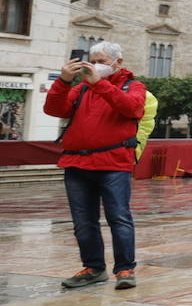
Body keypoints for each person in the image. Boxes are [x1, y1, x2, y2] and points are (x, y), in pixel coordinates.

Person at [44, 41, 147, 291]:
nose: (96, 66)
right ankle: (93, 268)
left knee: (119, 218)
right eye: (93, 60)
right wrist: (64, 81)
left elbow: (132, 109)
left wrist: (98, 83)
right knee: (83, 221)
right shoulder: (80, 90)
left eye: (101, 61)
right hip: (77, 162)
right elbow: (53, 109)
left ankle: (125, 269)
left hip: (113, 163)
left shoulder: (133, 86)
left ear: (117, 62)